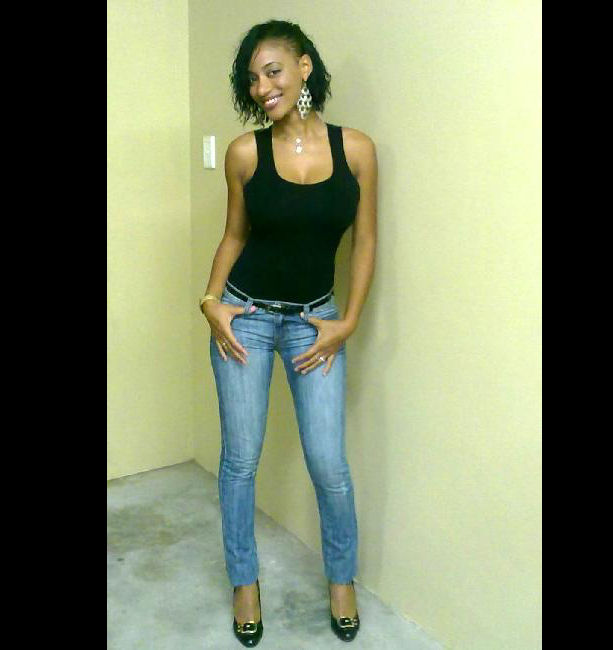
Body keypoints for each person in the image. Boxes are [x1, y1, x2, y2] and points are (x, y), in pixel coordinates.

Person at [199, 19, 377, 647]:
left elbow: (365, 241)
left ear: (304, 68)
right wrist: (211, 301)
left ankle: (341, 579)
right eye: (253, 78)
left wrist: (347, 322)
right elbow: (234, 235)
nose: (263, 86)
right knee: (240, 460)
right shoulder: (245, 153)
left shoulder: (356, 150)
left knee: (329, 463)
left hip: (314, 324)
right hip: (245, 316)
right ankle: (244, 584)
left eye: (272, 71)